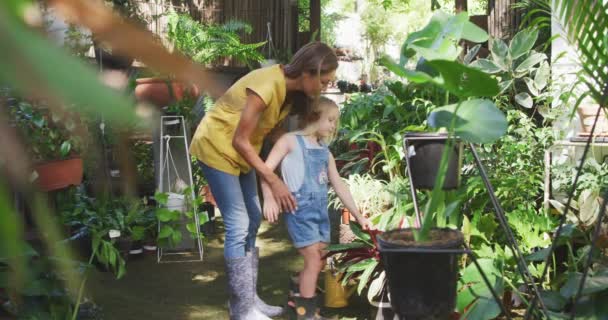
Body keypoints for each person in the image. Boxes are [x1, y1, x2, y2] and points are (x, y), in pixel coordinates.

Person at [189, 42, 338, 320]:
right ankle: (242, 311)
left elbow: (269, 129)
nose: (326, 87)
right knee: (238, 223)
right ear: (309, 72)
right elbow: (240, 139)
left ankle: (249, 300)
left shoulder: (289, 93)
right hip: (217, 148)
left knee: (254, 218)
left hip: (244, 154)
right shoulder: (267, 85)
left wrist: (292, 145)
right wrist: (274, 181)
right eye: (325, 80)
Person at [260, 97, 373, 320]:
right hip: (298, 210)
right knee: (313, 260)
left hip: (320, 212)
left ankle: (297, 288)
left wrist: (359, 217)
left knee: (320, 259)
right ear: (314, 117)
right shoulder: (289, 141)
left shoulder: (324, 151)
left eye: (335, 121)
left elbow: (339, 184)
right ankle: (307, 314)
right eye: (330, 120)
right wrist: (269, 198)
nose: (334, 126)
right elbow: (264, 170)